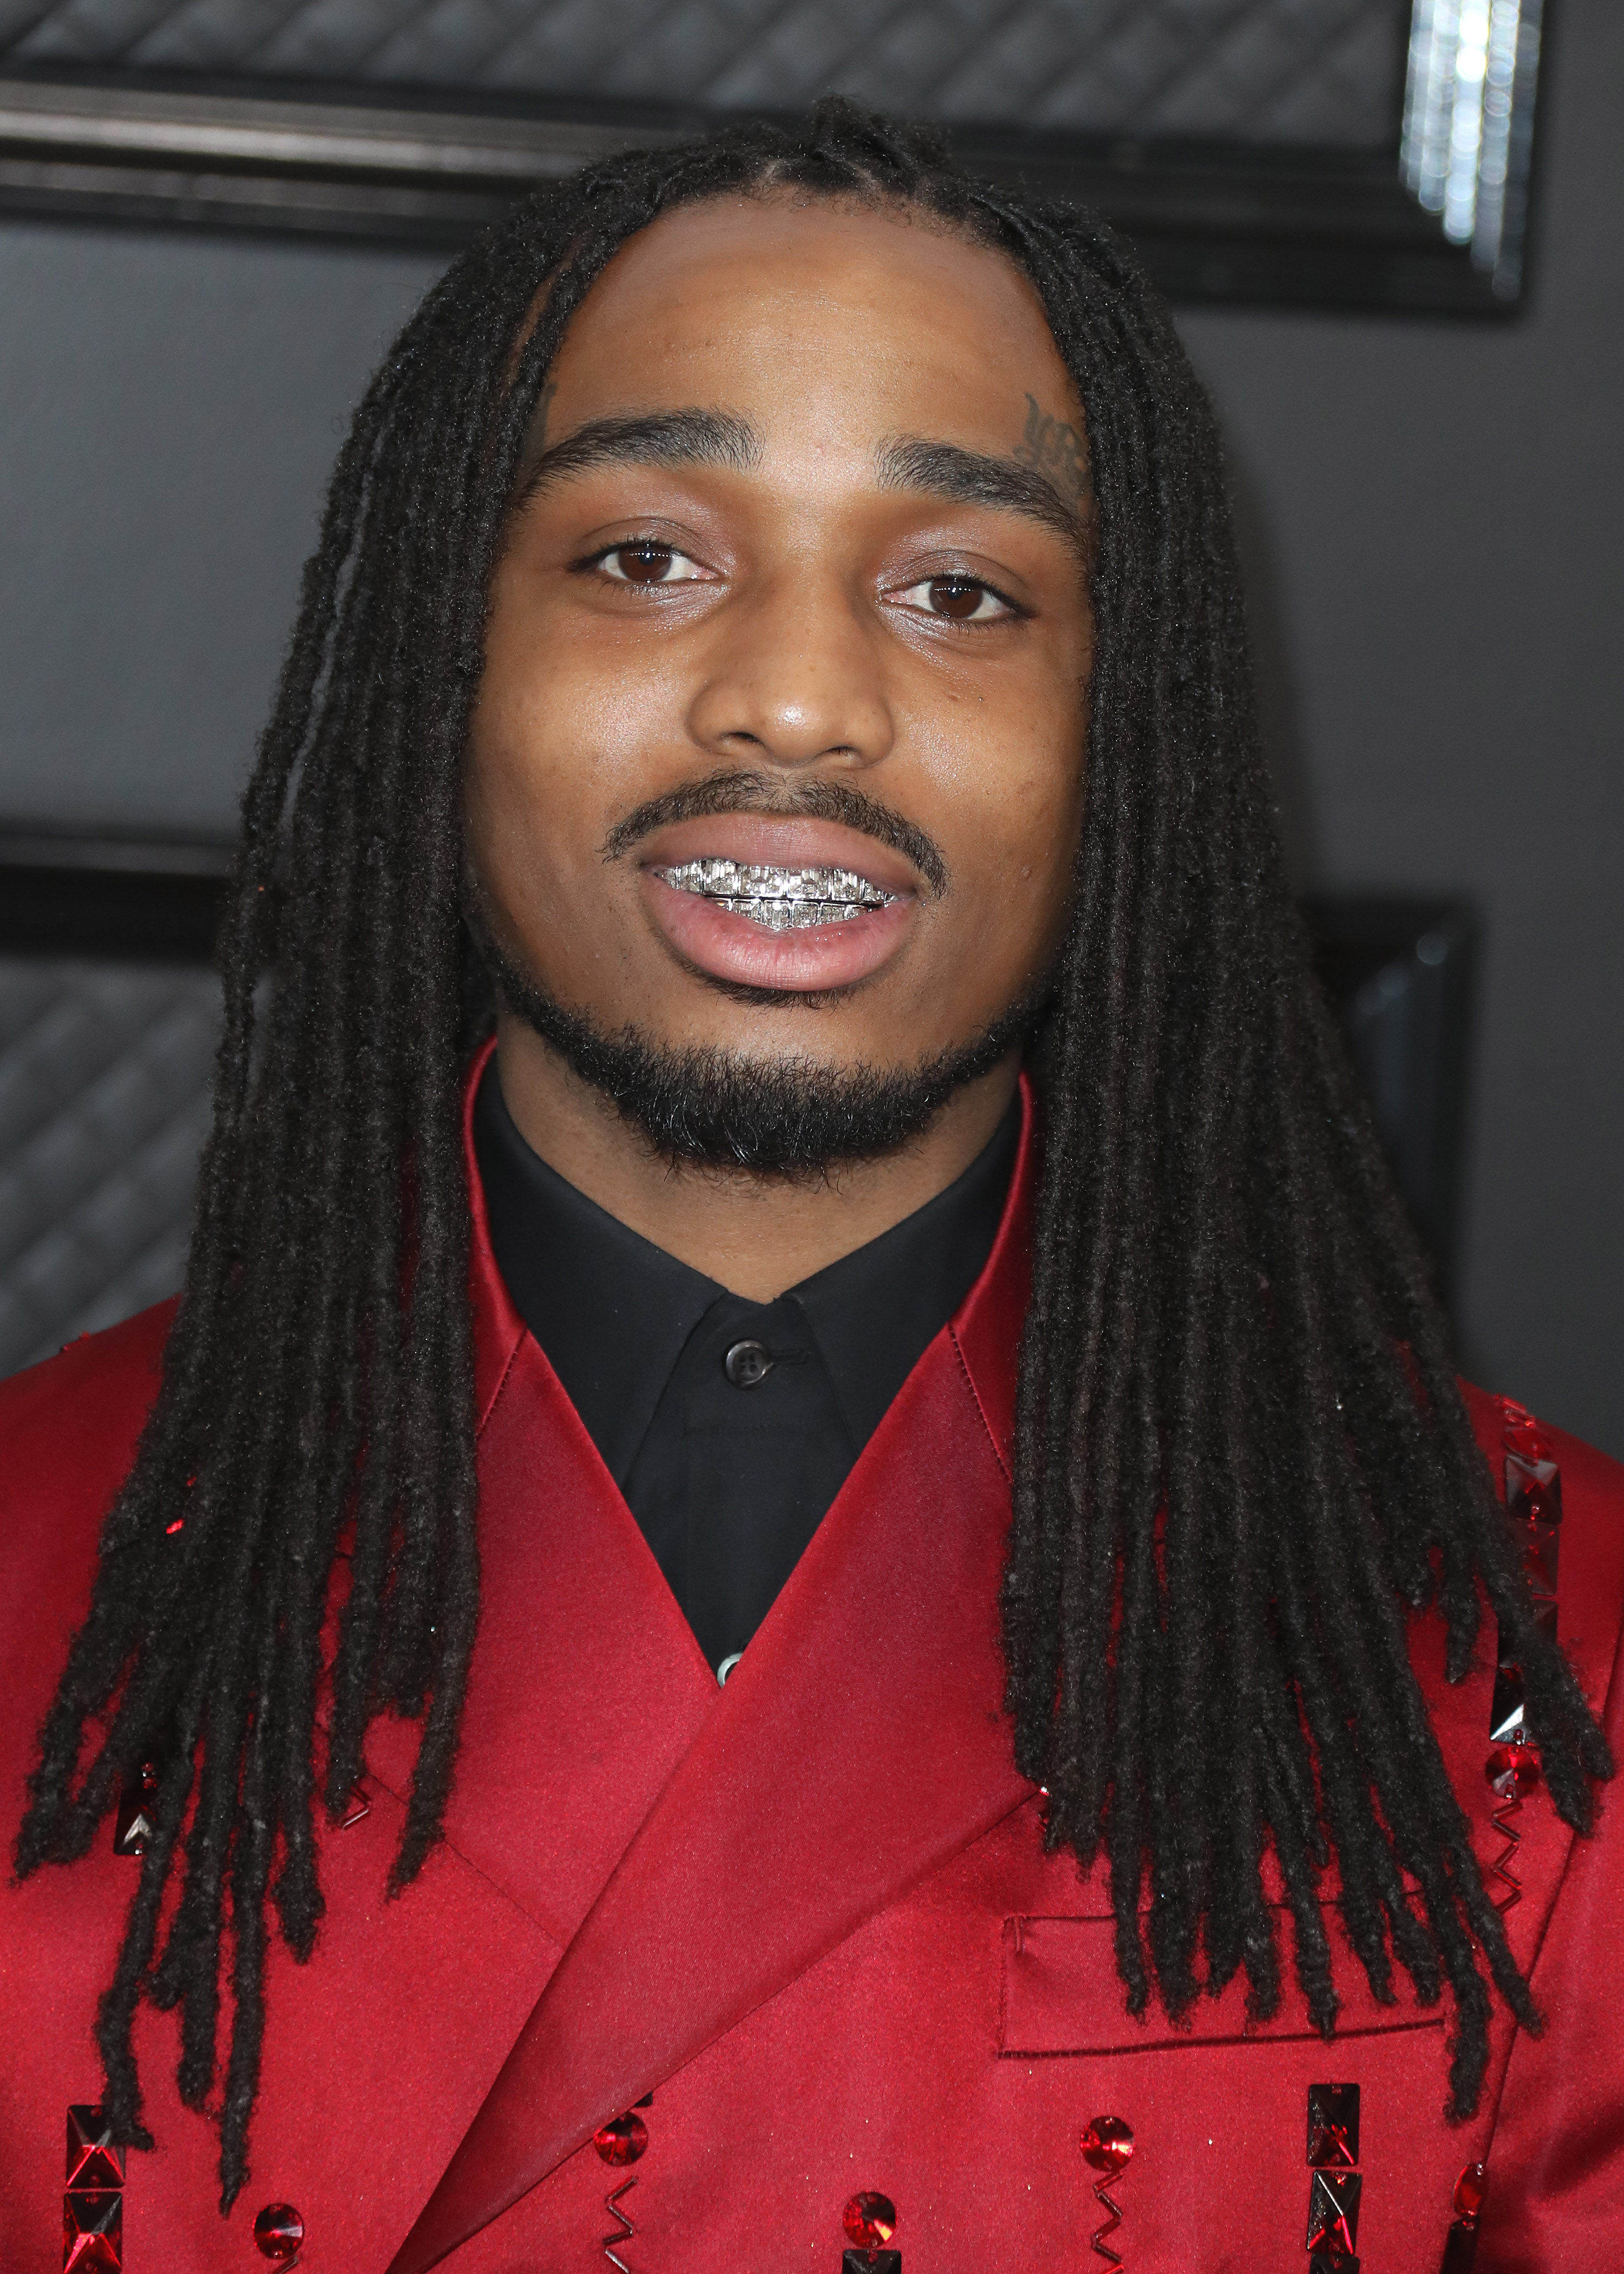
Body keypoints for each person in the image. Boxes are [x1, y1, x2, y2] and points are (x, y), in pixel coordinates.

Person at [3, 101, 1619, 2274]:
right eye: (646, 555)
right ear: (440, 668)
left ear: (1124, 736)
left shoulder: (1552, 1683)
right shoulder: (29, 1574)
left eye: (963, 588)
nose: (797, 695)